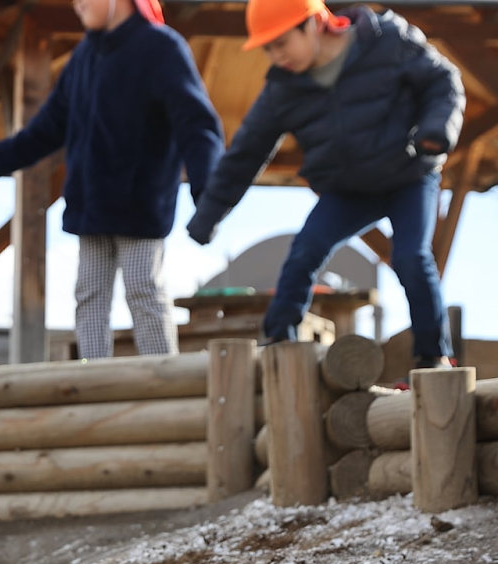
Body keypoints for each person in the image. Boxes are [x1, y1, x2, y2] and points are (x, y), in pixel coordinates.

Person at [187, 0, 463, 374]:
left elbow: (443, 82)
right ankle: (278, 345)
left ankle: (433, 359)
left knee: (411, 257)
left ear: (314, 23)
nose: (275, 55)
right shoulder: (282, 89)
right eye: (268, 48)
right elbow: (244, 156)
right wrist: (207, 216)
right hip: (347, 189)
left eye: (281, 43)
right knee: (304, 252)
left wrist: (436, 129)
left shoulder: (386, 40)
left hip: (408, 176)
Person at [0, 0, 223, 361]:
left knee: (143, 289)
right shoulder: (84, 58)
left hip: (139, 205)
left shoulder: (160, 47)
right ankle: (93, 376)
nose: (78, 4)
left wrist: (208, 196)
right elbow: (43, 132)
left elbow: (197, 125)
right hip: (91, 208)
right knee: (89, 294)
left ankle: (166, 375)